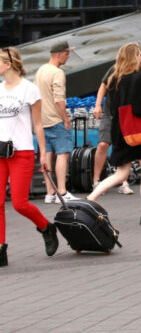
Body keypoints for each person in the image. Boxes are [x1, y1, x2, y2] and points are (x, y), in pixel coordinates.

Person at [88, 43, 141, 225]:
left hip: (119, 130)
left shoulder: (115, 78)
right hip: (136, 131)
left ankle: (91, 198)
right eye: (140, 54)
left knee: (122, 172)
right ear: (133, 56)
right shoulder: (137, 78)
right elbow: (139, 109)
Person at [0, 46, 59, 267]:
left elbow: (37, 124)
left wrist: (43, 153)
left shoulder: (29, 90)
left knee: (19, 203)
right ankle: (1, 249)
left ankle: (46, 226)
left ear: (8, 64)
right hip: (0, 152)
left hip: (21, 152)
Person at [92, 47, 141, 195]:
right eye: (140, 57)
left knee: (123, 148)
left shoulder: (139, 76)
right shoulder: (115, 70)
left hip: (125, 117)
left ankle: (122, 181)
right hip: (111, 114)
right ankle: (96, 181)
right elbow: (103, 85)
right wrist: (98, 105)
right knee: (103, 144)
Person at [36, 40, 76, 202]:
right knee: (63, 154)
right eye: (67, 54)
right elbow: (59, 99)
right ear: (59, 55)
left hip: (42, 120)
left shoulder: (40, 70)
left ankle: (50, 193)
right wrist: (65, 118)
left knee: (47, 154)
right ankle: (62, 191)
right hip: (56, 119)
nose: (68, 57)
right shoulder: (57, 73)